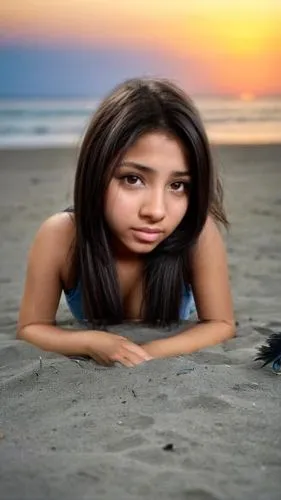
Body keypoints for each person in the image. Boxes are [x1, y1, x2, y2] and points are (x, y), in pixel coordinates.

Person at [17, 77, 235, 368]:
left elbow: (221, 323)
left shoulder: (197, 233)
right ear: (97, 170)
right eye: (133, 179)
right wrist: (90, 341)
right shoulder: (60, 236)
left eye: (178, 185)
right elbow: (30, 328)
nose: (156, 211)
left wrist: (150, 352)